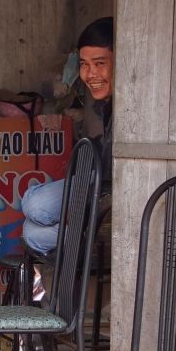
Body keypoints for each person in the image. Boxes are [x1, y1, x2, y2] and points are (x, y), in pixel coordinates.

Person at [20, 17, 113, 254]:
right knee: (31, 231)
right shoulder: (106, 105)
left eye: (100, 63)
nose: (91, 73)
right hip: (96, 185)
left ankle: (90, 242)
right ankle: (87, 242)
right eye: (84, 64)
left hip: (109, 191)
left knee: (36, 205)